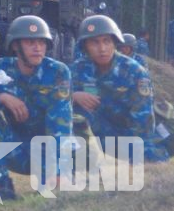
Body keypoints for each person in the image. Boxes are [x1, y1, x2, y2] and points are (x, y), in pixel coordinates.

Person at [0, 15, 73, 194]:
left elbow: (60, 124)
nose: (37, 48)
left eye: (41, 42)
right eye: (30, 42)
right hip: (14, 147)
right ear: (15, 45)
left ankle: (52, 177)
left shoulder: (58, 73)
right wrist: (0, 97)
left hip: (46, 150)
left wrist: (58, 169)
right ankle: (1, 183)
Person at [70, 15, 170, 163]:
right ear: (85, 46)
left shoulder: (134, 72)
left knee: (150, 156)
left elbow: (142, 123)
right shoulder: (77, 69)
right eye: (95, 42)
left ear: (115, 43)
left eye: (107, 41)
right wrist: (73, 96)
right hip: (91, 134)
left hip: (125, 135)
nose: (102, 48)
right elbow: (55, 99)